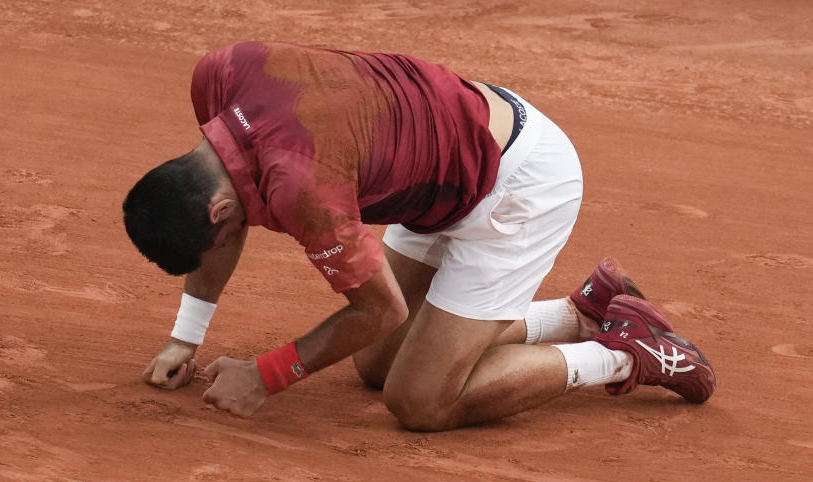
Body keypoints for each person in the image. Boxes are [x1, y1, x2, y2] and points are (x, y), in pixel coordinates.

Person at [122, 41, 715, 431]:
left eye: (223, 237)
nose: (228, 244)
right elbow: (219, 221)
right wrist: (186, 337)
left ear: (222, 208)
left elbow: (378, 309)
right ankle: (580, 314)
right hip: (442, 157)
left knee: (421, 401)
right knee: (378, 367)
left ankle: (622, 353)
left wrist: (270, 373)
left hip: (518, 186)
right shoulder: (218, 75)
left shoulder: (302, 188)